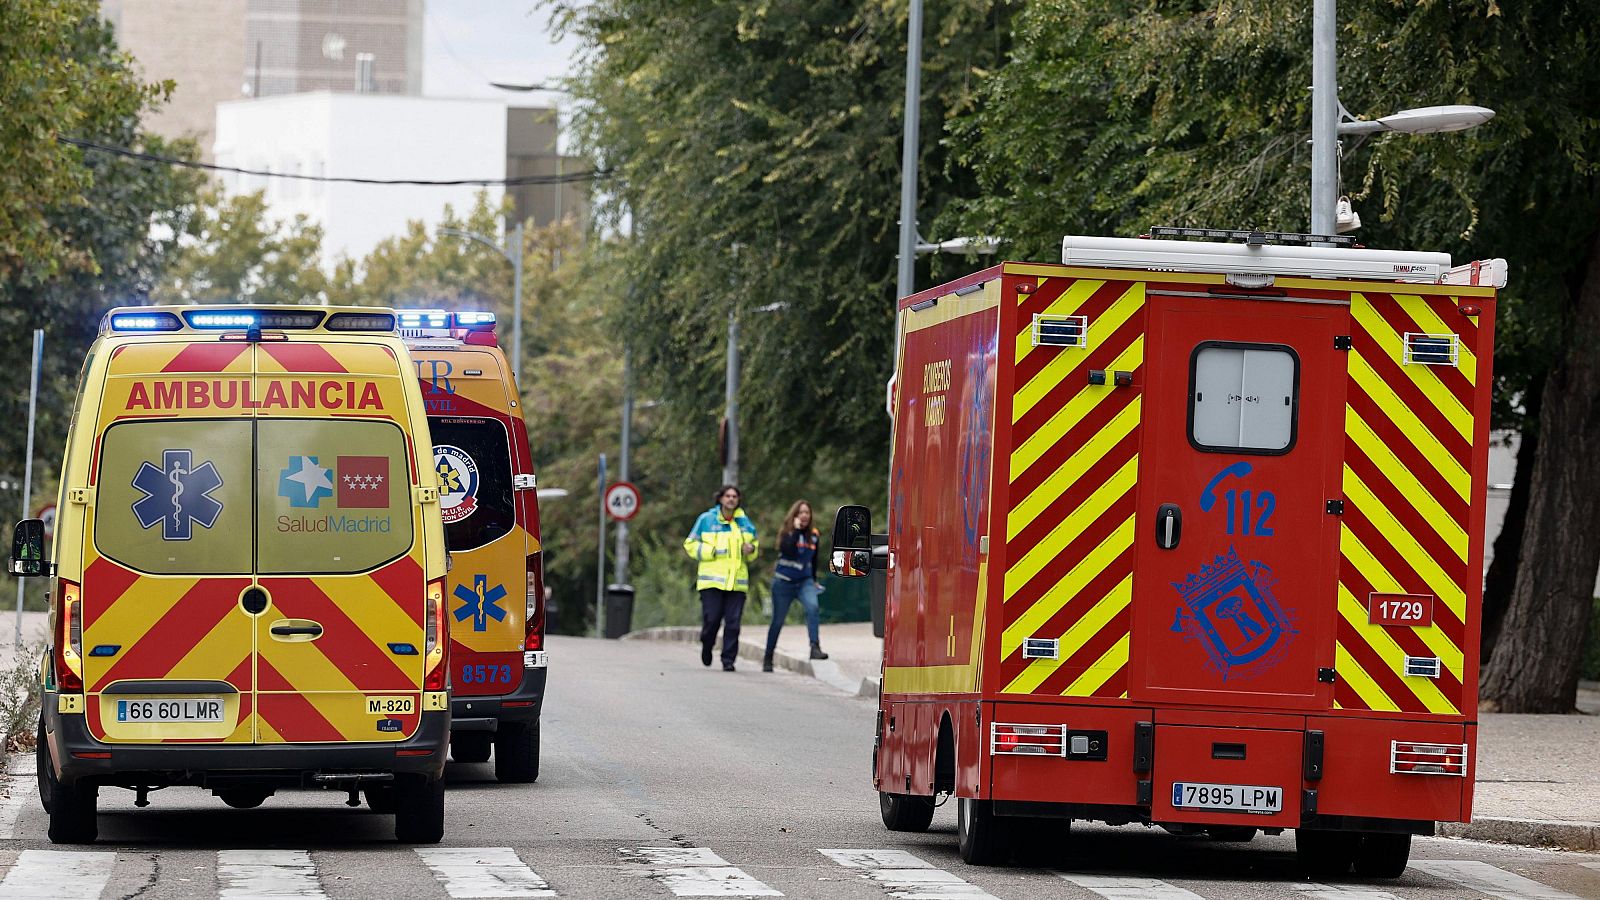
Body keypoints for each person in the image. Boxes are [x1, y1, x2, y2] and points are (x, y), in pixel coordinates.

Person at [683, 485, 759, 671]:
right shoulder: (706, 520)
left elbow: (754, 546)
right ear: (721, 498)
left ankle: (728, 660)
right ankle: (707, 645)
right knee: (712, 620)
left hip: (737, 583)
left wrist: (751, 549)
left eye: (735, 496)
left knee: (733, 624)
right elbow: (690, 544)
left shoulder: (745, 523)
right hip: (711, 581)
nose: (731, 499)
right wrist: (711, 551)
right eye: (728, 496)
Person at [763, 500, 828, 672]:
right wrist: (796, 530)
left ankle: (815, 647)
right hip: (784, 582)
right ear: (795, 515)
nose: (805, 515)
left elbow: (813, 560)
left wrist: (813, 580)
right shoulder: (787, 533)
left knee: (813, 607)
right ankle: (768, 657)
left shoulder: (814, 534)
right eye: (801, 512)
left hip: (804, 582)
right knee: (778, 621)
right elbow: (788, 550)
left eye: (807, 512)